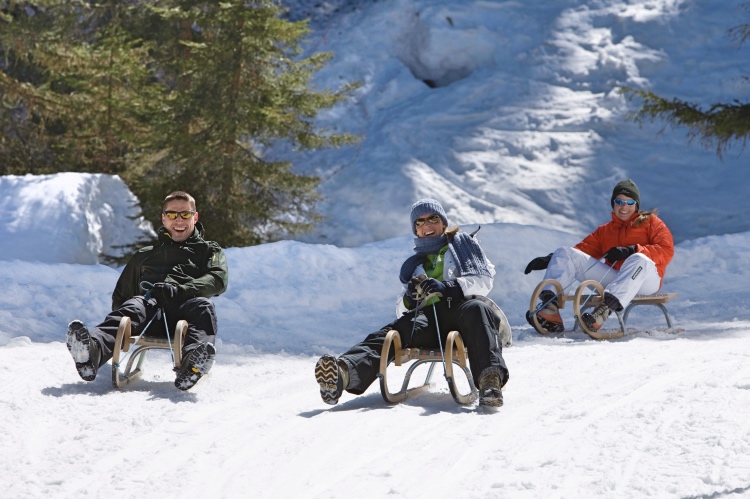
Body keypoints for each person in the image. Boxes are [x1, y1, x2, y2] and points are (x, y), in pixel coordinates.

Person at [314, 198, 510, 408]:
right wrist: (410, 298)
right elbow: (401, 309)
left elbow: (484, 281)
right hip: (429, 321)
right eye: (420, 222)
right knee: (393, 332)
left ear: (443, 223)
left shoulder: (464, 246)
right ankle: (342, 374)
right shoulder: (414, 265)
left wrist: (449, 287)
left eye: (433, 218)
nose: (427, 225)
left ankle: (490, 383)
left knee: (477, 309)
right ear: (415, 230)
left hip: (463, 313)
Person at [66, 191, 229, 390]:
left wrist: (182, 290)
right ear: (163, 218)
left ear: (195, 217)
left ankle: (193, 365)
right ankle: (92, 353)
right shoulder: (145, 255)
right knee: (133, 305)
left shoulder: (209, 251)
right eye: (172, 215)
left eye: (185, 214)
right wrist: (127, 323)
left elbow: (218, 279)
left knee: (204, 306)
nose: (178, 220)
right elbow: (122, 295)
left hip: (185, 312)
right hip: (148, 313)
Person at [524, 179, 674, 332]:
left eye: (629, 202)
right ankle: (550, 309)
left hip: (645, 280)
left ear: (636, 205)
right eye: (619, 201)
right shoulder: (605, 231)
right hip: (614, 281)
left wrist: (632, 250)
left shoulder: (652, 223)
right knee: (565, 252)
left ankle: (602, 313)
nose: (624, 206)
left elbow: (666, 250)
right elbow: (581, 251)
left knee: (639, 259)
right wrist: (552, 259)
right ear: (613, 203)